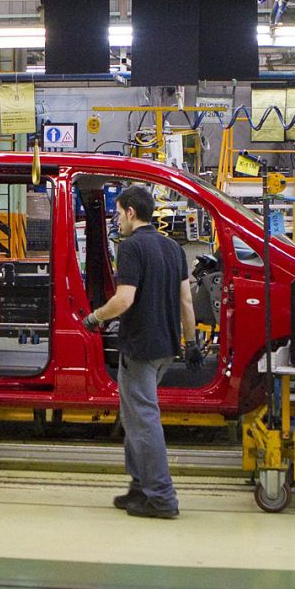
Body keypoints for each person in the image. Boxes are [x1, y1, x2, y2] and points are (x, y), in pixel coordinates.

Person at [82, 185, 203, 519]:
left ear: (131, 212)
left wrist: (94, 318)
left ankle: (161, 497)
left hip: (141, 348)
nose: (117, 220)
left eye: (118, 213)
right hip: (166, 346)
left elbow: (124, 300)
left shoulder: (131, 247)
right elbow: (185, 301)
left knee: (144, 421)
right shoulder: (172, 248)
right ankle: (139, 488)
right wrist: (191, 343)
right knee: (135, 419)